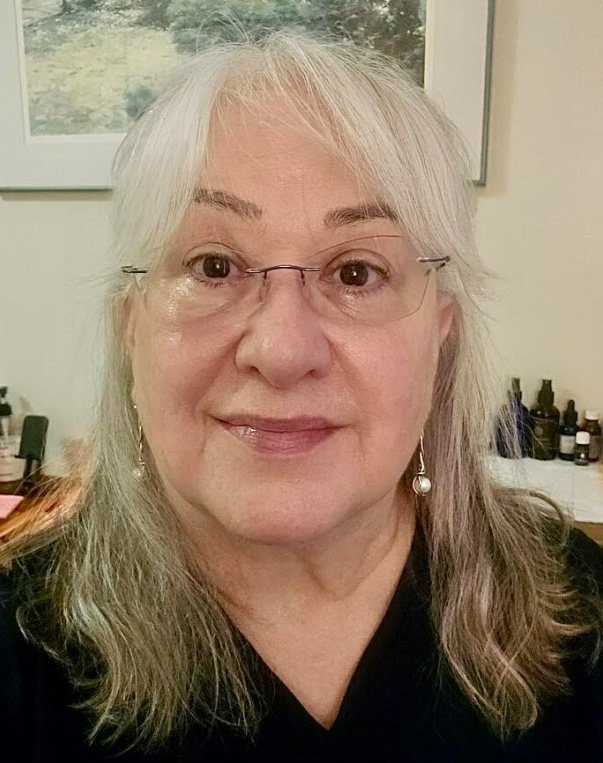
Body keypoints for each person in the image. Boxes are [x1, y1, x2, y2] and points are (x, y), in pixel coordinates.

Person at [1, 30, 602, 763]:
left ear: (439, 335)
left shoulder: (580, 612)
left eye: (356, 273)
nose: (282, 351)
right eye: (214, 265)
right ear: (132, 327)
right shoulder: (21, 649)